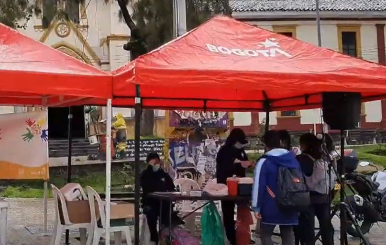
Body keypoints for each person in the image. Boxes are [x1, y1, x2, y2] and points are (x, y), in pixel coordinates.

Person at [252, 130, 300, 245]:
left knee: (266, 234)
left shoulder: (264, 161)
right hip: (291, 203)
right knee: (288, 234)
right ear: (280, 142)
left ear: (265, 145)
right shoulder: (293, 160)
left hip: (270, 204)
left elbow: (258, 186)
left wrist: (256, 207)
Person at [295, 133, 334, 245]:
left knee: (307, 228)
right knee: (326, 225)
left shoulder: (301, 159)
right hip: (323, 197)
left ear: (304, 144)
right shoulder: (324, 158)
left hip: (307, 198)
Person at [216, 128, 253, 245]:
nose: (240, 145)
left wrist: (247, 164)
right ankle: (232, 237)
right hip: (226, 185)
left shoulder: (240, 150)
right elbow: (223, 167)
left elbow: (244, 161)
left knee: (243, 210)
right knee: (228, 212)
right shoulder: (224, 150)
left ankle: (244, 234)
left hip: (241, 185)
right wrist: (236, 163)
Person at [140, 152, 175, 245]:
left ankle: (164, 237)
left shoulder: (164, 175)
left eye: (157, 162)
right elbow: (145, 187)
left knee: (168, 213)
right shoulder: (145, 174)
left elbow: (172, 188)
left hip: (163, 203)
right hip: (149, 203)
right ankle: (154, 238)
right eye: (153, 163)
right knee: (151, 213)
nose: (156, 164)